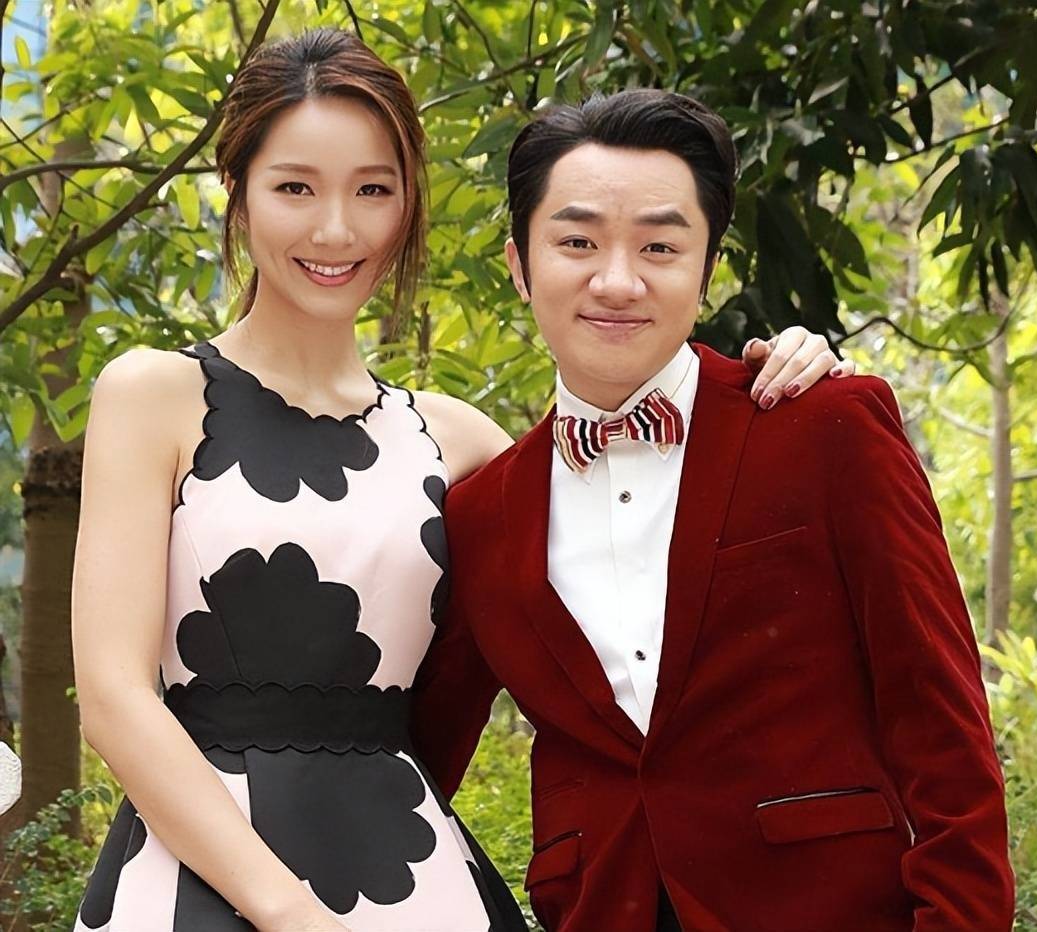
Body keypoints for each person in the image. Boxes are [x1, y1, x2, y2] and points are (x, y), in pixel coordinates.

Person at [70, 31, 845, 932]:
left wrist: (781, 380)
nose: (336, 229)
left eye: (373, 190)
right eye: (295, 188)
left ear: (409, 206)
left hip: (413, 877)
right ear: (237, 194)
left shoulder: (460, 443)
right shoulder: (154, 396)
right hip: (194, 884)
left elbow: (646, 543)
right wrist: (287, 912)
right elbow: (114, 698)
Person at [410, 90, 1015, 932]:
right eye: (577, 242)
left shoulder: (824, 426)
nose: (617, 281)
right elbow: (412, 763)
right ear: (519, 265)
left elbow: (940, 715)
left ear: (708, 267)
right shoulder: (481, 514)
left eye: (659, 246)